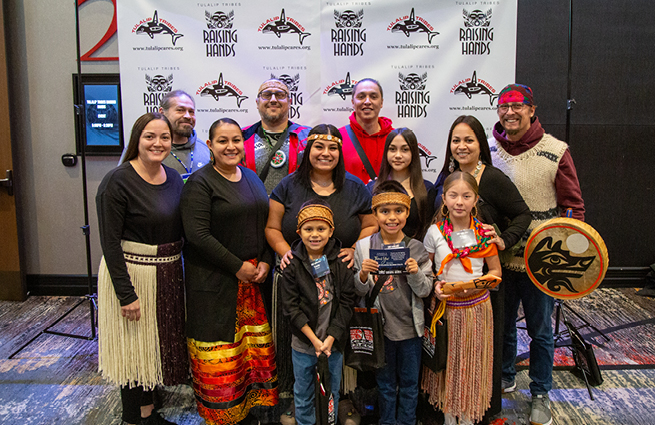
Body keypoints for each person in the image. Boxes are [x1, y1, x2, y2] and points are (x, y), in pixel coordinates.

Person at [266, 124, 376, 422]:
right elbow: (272, 227)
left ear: (340, 152)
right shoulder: (288, 185)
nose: (326, 153)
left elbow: (371, 225)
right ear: (307, 151)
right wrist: (283, 251)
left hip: (339, 282)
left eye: (333, 148)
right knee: (299, 351)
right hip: (296, 281)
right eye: (319, 147)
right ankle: (302, 404)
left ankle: (335, 400)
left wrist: (354, 248)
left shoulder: (354, 187)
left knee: (336, 347)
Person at [491, 84, 585, 425]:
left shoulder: (555, 150)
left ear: (532, 110)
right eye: (503, 106)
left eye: (518, 106)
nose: (510, 112)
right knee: (501, 326)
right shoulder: (489, 150)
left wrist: (569, 255)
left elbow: (574, 207)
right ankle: (504, 376)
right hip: (498, 255)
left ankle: (541, 392)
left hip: (541, 258)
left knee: (540, 330)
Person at [432, 115, 531, 423]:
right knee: (447, 352)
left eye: (469, 140)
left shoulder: (493, 179)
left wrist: (503, 240)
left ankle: (480, 410)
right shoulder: (446, 177)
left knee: (481, 352)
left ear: (480, 144)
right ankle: (448, 407)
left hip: (483, 286)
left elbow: (523, 215)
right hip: (446, 290)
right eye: (456, 140)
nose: (462, 146)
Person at [180, 118, 277, 425]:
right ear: (209, 145)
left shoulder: (250, 176)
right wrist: (238, 267)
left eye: (236, 140)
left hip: (252, 284)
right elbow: (197, 235)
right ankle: (222, 417)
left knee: (248, 355)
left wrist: (264, 260)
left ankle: (248, 412)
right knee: (221, 359)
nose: (231, 146)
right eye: (222, 141)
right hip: (215, 284)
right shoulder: (200, 182)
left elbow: (263, 223)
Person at [96, 112, 188, 425]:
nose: (157, 143)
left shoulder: (174, 178)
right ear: (137, 139)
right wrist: (126, 294)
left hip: (167, 274)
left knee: (152, 348)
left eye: (164, 137)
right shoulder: (117, 181)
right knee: (132, 349)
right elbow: (109, 244)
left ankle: (149, 413)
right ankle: (133, 418)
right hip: (132, 274)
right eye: (150, 136)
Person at [422, 171, 502, 425]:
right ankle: (448, 415)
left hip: (476, 309)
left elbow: (495, 273)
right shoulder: (434, 232)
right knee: (447, 363)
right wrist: (436, 286)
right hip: (446, 309)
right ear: (443, 199)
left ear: (475, 199)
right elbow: (428, 270)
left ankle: (468, 415)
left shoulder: (484, 234)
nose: (460, 202)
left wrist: (472, 286)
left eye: (466, 196)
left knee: (471, 363)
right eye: (453, 196)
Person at [353, 180, 432, 425]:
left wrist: (416, 272)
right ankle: (387, 421)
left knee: (409, 384)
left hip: (411, 330)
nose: (392, 217)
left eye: (398, 211)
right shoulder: (364, 246)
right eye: (384, 211)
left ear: (407, 213)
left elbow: (426, 289)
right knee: (385, 384)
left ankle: (407, 421)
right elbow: (358, 291)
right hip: (380, 330)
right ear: (375, 214)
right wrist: (363, 275)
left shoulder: (416, 248)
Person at [280, 200, 357, 425]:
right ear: (299, 232)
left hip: (333, 344)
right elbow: (290, 308)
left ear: (331, 231)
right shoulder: (292, 264)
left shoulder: (341, 262)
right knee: (303, 394)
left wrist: (331, 338)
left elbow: (346, 303)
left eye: (321, 228)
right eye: (308, 229)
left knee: (331, 392)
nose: (315, 235)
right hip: (304, 345)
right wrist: (314, 341)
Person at [119, 90, 210, 181]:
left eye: (191, 111)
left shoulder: (205, 149)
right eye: (180, 110)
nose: (187, 116)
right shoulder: (144, 149)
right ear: (162, 112)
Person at [242, 79, 311, 194]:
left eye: (280, 95)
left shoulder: (307, 136)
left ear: (289, 102)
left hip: (294, 210)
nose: (273, 100)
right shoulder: (242, 137)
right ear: (257, 103)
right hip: (253, 209)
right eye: (267, 95)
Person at [369, 127, 436, 241]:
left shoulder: (427, 190)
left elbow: (428, 232)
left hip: (415, 254)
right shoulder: (372, 188)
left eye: (405, 150)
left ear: (414, 153)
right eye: (392, 149)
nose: (398, 155)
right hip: (379, 255)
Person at [339, 78, 394, 184]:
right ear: (353, 102)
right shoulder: (339, 137)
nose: (367, 101)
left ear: (381, 102)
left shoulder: (395, 138)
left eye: (373, 97)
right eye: (361, 97)